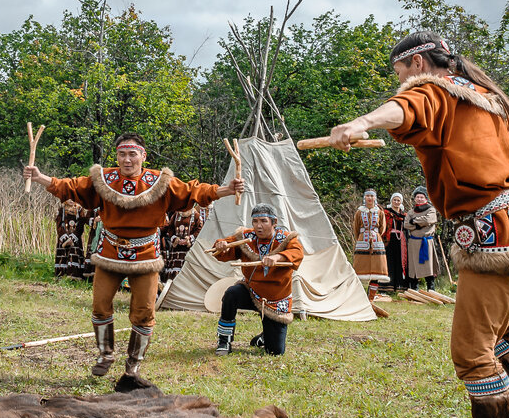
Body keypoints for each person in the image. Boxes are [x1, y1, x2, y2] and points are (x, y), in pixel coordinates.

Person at [328, 30, 509, 418]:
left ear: (418, 62)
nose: (398, 79)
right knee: (497, 328)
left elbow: (406, 108)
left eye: (399, 70)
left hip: (492, 233)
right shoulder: (489, 99)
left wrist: (360, 122)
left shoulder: (433, 88)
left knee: (471, 352)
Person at [24, 134, 242, 382]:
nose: (127, 160)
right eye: (121, 154)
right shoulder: (104, 179)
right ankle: (105, 355)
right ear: (116, 156)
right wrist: (40, 177)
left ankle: (133, 364)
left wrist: (226, 190)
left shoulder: (160, 181)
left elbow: (193, 191)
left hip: (146, 255)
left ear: (143, 156)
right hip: (110, 253)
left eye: (132, 154)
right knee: (100, 306)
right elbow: (72, 187)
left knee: (144, 311)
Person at [211, 204, 304, 356]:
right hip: (251, 290)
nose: (258, 226)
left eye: (263, 221)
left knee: (275, 352)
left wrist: (277, 257)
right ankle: (224, 341)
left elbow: (297, 253)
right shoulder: (247, 237)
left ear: (274, 223)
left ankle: (265, 337)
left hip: (275, 300)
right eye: (255, 221)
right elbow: (226, 247)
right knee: (232, 294)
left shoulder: (285, 239)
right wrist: (221, 246)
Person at [352, 190, 389, 302]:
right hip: (363, 240)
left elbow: (382, 227)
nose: (369, 198)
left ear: (375, 198)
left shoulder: (379, 212)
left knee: (377, 270)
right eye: (367, 195)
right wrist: (361, 237)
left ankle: (371, 297)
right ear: (364, 198)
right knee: (360, 268)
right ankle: (358, 297)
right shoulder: (359, 212)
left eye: (372, 196)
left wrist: (375, 235)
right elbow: (356, 227)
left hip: (376, 240)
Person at [404, 186, 439, 293]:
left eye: (421, 197)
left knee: (428, 265)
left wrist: (414, 221)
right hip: (414, 241)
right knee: (413, 265)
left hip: (426, 241)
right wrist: (420, 224)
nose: (419, 199)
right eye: (417, 197)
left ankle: (430, 287)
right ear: (415, 199)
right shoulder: (411, 212)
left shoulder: (431, 209)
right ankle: (414, 288)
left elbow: (429, 219)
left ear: (426, 199)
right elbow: (406, 225)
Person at [382, 193, 407, 292]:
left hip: (400, 240)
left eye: (398, 200)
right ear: (391, 201)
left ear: (401, 202)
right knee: (389, 261)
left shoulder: (404, 215)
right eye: (394, 200)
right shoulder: (386, 213)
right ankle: (387, 286)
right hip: (389, 240)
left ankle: (399, 286)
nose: (396, 202)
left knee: (400, 262)